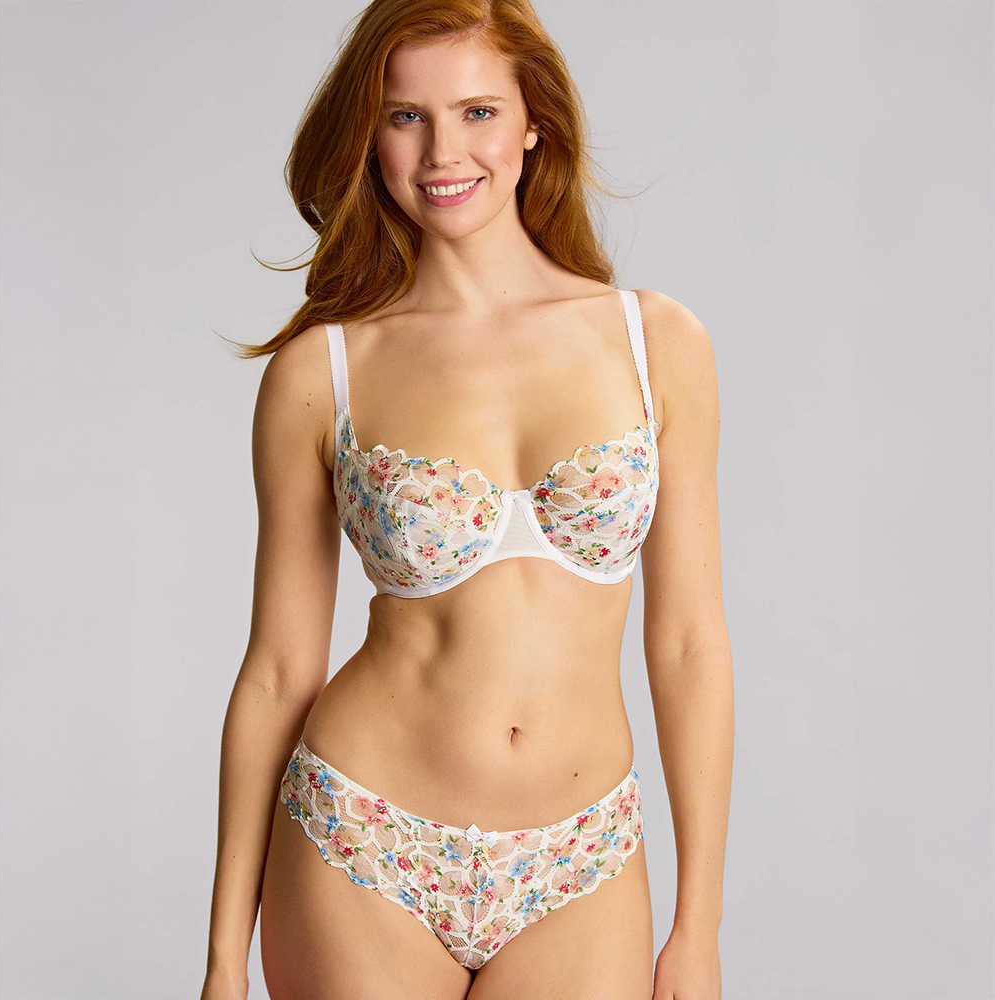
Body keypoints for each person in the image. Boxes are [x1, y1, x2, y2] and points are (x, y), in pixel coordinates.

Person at [201, 2, 733, 998]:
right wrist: (224, 957)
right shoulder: (324, 370)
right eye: (406, 117)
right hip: (363, 836)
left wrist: (696, 926)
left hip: (580, 859)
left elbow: (689, 642)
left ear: (534, 121)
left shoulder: (656, 343)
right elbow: (276, 671)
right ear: (371, 136)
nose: (443, 152)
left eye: (478, 111)